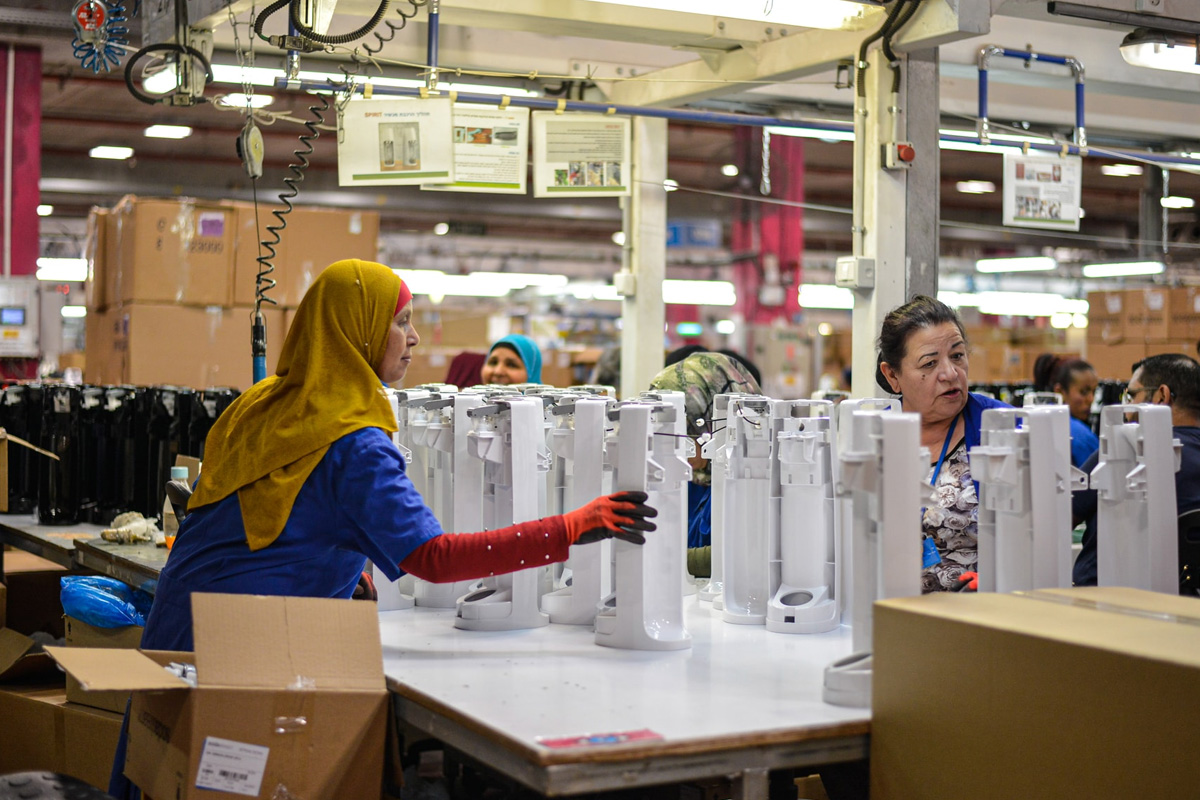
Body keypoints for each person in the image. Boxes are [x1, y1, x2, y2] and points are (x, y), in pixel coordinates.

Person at [111, 260, 655, 797]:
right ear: (358, 330)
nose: (413, 337)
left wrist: (340, 569)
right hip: (243, 656)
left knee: (158, 775)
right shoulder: (354, 441)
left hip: (180, 632)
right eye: (401, 322)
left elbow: (266, 513)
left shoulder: (260, 404)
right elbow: (434, 559)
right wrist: (570, 528)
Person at [875, 295, 1011, 593]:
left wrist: (1003, 578)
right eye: (930, 363)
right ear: (892, 375)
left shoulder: (1002, 426)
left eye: (957, 356)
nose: (950, 373)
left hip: (979, 607)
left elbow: (1038, 530)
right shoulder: (873, 437)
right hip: (890, 605)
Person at [1072, 353, 1200, 587]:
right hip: (1185, 603)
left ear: (1162, 396)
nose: (1127, 409)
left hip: (1102, 598)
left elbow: (1059, 522)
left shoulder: (1122, 450)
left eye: (1131, 396)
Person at [648, 351, 761, 577]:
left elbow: (741, 555)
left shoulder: (754, 481)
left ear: (712, 422)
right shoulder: (690, 479)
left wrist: (659, 560)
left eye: (685, 433)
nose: (676, 448)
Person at [1032, 353, 1099, 467]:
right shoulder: (1081, 436)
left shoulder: (1037, 422)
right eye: (1083, 392)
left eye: (1094, 391)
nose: (1091, 399)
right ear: (1060, 392)